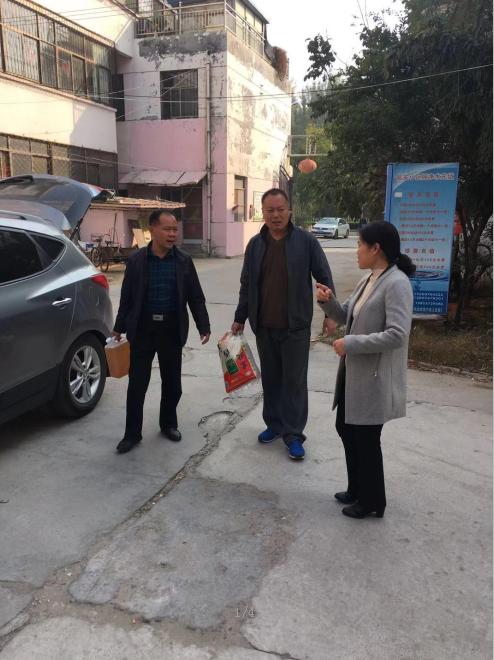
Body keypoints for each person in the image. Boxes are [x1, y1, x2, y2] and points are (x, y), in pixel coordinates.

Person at [316, 221, 415, 519]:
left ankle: (373, 501)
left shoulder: (396, 283)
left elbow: (397, 335)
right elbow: (345, 314)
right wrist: (328, 302)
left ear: (376, 248)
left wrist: (351, 343)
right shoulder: (369, 279)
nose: (357, 250)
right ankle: (357, 489)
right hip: (355, 375)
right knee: (346, 428)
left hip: (373, 377)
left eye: (360, 244)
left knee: (366, 438)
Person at [231, 188, 336, 462]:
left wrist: (330, 314)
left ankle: (294, 434)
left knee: (294, 382)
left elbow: (324, 278)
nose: (276, 215)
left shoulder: (306, 242)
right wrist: (240, 317)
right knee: (271, 380)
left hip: (295, 327)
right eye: (270, 211)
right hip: (264, 326)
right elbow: (246, 285)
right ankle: (275, 425)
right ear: (263, 213)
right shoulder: (255, 245)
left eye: (280, 209)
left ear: (290, 211)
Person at [112, 210, 211, 454]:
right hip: (143, 329)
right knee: (137, 385)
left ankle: (168, 424)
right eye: (167, 229)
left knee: (172, 383)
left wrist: (203, 325)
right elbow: (127, 297)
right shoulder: (137, 260)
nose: (172, 234)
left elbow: (195, 296)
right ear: (152, 230)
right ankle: (132, 434)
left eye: (175, 229)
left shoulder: (184, 260)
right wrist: (119, 326)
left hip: (171, 328)